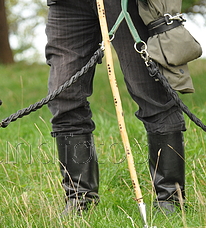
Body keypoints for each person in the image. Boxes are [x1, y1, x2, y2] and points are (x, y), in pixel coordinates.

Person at [45, 0, 186, 216]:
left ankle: (170, 199)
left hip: (124, 3)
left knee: (151, 91)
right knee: (64, 96)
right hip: (66, 5)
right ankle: (79, 200)